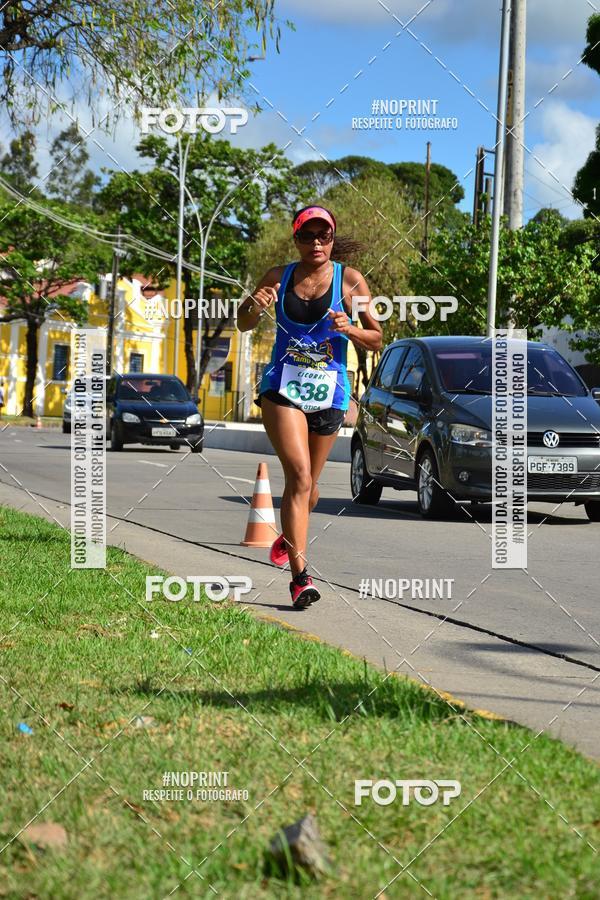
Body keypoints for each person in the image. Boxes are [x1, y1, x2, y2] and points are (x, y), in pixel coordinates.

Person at [237, 205, 382, 609]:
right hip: (283, 388)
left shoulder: (350, 282)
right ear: (295, 237)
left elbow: (376, 338)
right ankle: (301, 578)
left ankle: (289, 535)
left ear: (333, 239)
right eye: (308, 236)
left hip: (330, 393)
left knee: (311, 489)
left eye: (324, 236)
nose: (316, 243)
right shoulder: (277, 277)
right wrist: (256, 305)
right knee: (299, 477)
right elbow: (242, 323)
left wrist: (349, 328)